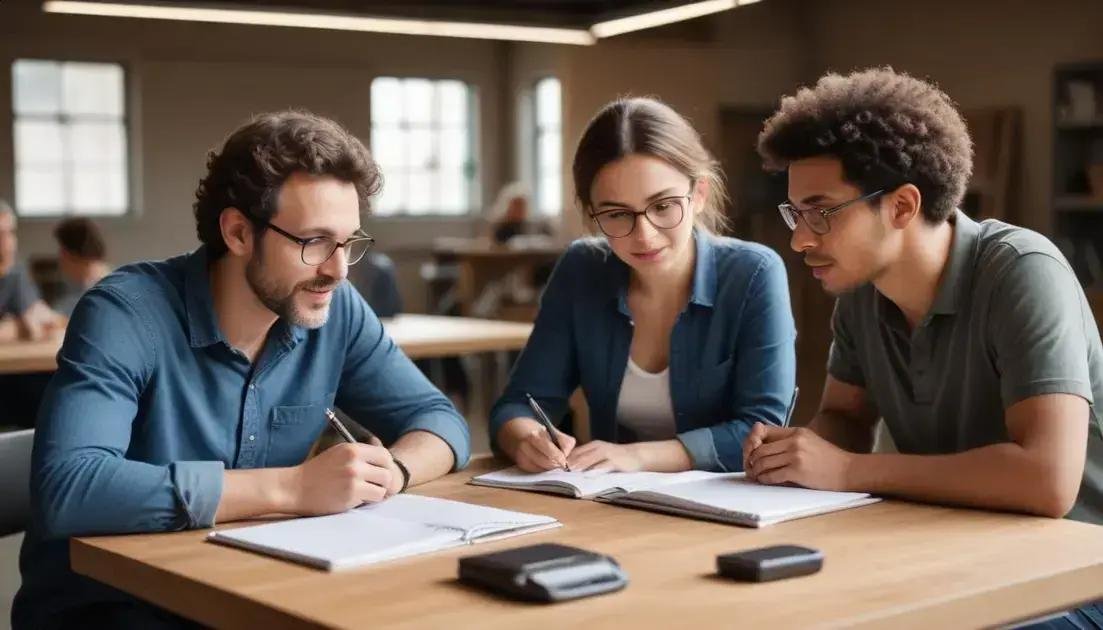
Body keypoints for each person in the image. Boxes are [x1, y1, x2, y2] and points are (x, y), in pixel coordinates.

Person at [14, 111, 471, 630]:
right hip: (108, 609)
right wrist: (292, 489)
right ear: (237, 232)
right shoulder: (125, 313)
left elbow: (439, 419)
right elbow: (70, 489)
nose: (339, 270)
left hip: (247, 592)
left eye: (349, 243)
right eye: (314, 242)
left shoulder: (334, 310)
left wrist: (394, 471)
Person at [745, 67, 1103, 628]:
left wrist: (847, 472)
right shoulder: (862, 295)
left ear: (903, 206)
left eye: (821, 212)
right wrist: (797, 452)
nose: (799, 238)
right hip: (953, 552)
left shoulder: (1023, 272)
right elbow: (845, 416)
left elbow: (1046, 481)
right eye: (795, 213)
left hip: (1072, 577)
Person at [489, 97, 796, 474]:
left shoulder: (753, 273)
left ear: (698, 194)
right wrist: (526, 439)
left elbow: (762, 432)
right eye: (617, 214)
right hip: (615, 508)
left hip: (730, 510)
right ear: (592, 213)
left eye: (663, 206)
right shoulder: (582, 268)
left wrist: (637, 456)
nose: (644, 236)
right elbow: (518, 404)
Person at [0, 200, 64, 341]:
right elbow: (27, 328)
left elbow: (40, 317)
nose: (7, 243)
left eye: (10, 233)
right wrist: (17, 328)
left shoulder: (14, 274)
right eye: (0, 234)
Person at [51, 217, 111, 316]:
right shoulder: (82, 287)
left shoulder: (102, 293)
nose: (59, 258)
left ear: (69, 254)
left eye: (62, 250)